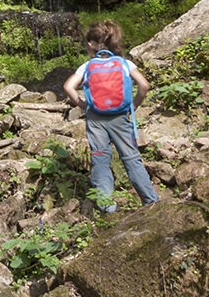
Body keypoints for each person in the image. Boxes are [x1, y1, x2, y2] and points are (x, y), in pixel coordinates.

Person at [62, 20, 158, 212]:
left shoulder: (87, 66)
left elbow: (68, 87)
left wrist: (82, 105)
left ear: (90, 44)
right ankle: (151, 202)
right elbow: (144, 86)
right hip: (121, 117)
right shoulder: (124, 63)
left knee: (100, 160)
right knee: (131, 158)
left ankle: (107, 207)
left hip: (96, 117)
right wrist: (134, 104)